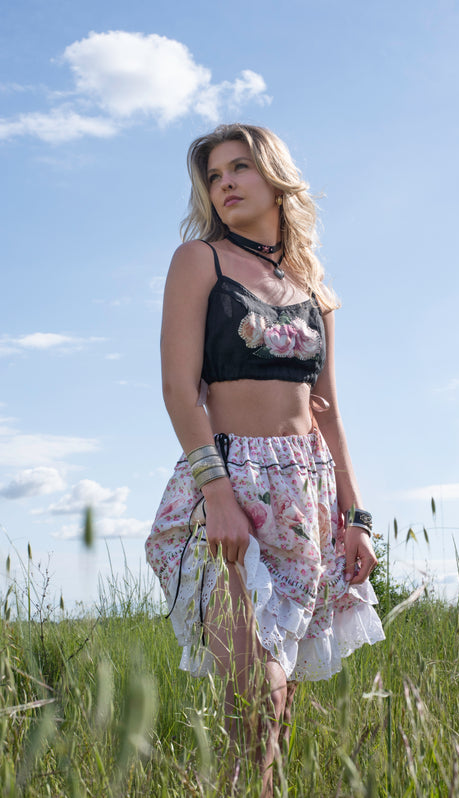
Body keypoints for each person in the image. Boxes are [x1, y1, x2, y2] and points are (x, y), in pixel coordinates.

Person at [145, 123, 385, 796]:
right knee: (256, 691)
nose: (224, 183)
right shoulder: (200, 261)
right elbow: (178, 389)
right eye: (214, 175)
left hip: (306, 497)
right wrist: (217, 493)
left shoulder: (313, 289)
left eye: (240, 168)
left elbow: (326, 410)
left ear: (275, 178)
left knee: (274, 709)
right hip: (224, 483)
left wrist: (355, 517)